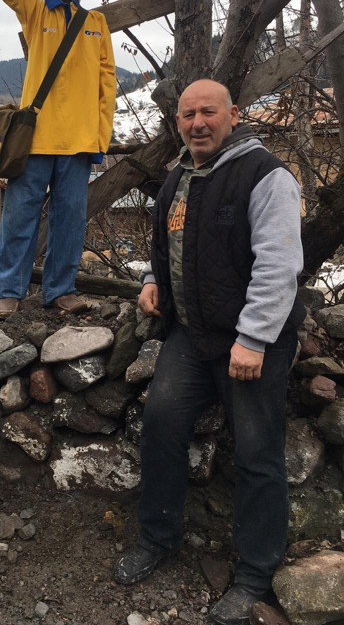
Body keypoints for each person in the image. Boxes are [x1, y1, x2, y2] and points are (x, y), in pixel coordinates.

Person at [112, 79, 305, 625]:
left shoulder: (266, 176)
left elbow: (279, 265)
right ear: (178, 121)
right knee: (160, 426)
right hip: (193, 337)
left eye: (208, 112)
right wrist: (153, 279)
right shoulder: (179, 175)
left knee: (258, 453)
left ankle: (254, 575)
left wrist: (253, 338)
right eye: (188, 115)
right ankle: (159, 537)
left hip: (250, 342)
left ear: (233, 114)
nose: (198, 123)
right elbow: (164, 243)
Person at [0, 0, 117, 319]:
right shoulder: (35, 11)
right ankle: (8, 289)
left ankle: (61, 289)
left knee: (70, 221)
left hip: (79, 145)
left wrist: (101, 138)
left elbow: (106, 86)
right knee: (20, 216)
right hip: (35, 139)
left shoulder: (97, 24)